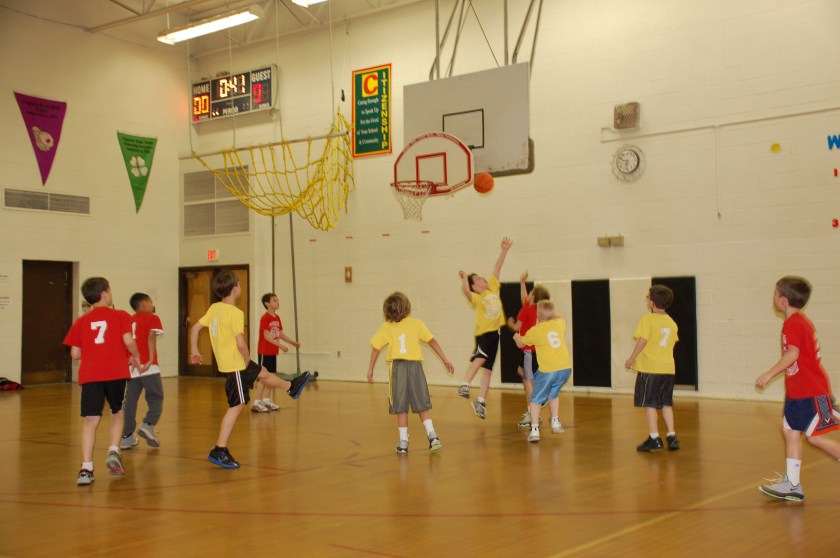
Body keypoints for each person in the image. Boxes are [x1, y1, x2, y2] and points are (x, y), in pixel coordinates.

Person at [189, 270, 311, 469]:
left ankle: (291, 387)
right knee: (236, 406)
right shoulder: (235, 313)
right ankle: (219, 449)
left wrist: (194, 349)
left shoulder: (214, 308)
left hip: (233, 361)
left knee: (262, 372)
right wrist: (246, 358)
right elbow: (240, 341)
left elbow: (195, 328)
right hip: (236, 363)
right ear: (236, 289)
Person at [755, 276, 840, 501]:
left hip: (812, 391)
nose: (773, 298)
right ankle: (793, 485)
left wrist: (769, 373)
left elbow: (793, 354)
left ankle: (793, 484)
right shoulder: (798, 321)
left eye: (775, 294)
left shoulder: (794, 323)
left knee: (814, 437)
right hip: (797, 391)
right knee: (790, 432)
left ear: (783, 300)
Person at [63, 277, 142, 486]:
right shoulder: (120, 315)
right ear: (105, 293)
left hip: (91, 375)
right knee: (117, 413)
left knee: (90, 420)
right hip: (116, 373)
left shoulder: (81, 321)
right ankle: (114, 450)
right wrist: (136, 356)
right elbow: (128, 341)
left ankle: (86, 468)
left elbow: (74, 353)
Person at [367, 292, 455, 453]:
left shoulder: (387, 327)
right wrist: (445, 359)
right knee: (422, 404)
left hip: (398, 368)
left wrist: (370, 368)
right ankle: (432, 436)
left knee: (400, 407)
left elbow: (375, 348)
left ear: (387, 311)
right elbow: (432, 341)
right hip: (415, 368)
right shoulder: (416, 324)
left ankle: (403, 442)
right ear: (407, 307)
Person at [456, 237, 513, 419]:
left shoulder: (492, 289)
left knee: (488, 370)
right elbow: (465, 291)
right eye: (479, 280)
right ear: (475, 287)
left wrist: (504, 251)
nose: (483, 280)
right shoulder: (477, 299)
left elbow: (497, 268)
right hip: (484, 334)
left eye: (482, 278)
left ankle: (480, 401)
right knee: (480, 359)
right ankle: (465, 384)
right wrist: (465, 277)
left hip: (494, 334)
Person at [624, 285, 680, 452]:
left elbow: (643, 340)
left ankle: (654, 437)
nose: (646, 300)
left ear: (652, 303)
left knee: (650, 404)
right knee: (666, 404)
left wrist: (632, 358)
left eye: (648, 297)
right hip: (668, 369)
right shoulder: (671, 322)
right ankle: (672, 436)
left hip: (650, 368)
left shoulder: (647, 320)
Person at [514, 300, 572, 442]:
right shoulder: (559, 324)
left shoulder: (536, 331)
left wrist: (516, 337)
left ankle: (534, 430)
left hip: (549, 370)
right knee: (554, 393)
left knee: (535, 399)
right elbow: (560, 317)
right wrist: (551, 313)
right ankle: (555, 421)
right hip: (565, 369)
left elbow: (521, 343)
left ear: (538, 316)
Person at [120, 293, 165, 450]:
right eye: (151, 302)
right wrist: (151, 358)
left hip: (131, 367)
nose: (153, 305)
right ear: (144, 303)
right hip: (148, 366)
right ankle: (148, 424)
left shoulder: (128, 320)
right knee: (156, 397)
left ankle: (126, 436)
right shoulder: (152, 318)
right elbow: (151, 336)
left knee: (130, 402)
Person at [507, 271, 551, 428]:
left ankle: (533, 412)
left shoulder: (526, 310)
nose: (528, 295)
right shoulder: (536, 309)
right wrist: (522, 282)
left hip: (528, 351)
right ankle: (537, 403)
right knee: (523, 373)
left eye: (531, 293)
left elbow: (517, 327)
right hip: (536, 351)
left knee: (526, 382)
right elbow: (523, 299)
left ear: (534, 297)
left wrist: (510, 323)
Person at [251, 292, 301, 413]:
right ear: (267, 304)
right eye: (274, 300)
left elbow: (280, 333)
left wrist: (291, 342)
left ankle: (266, 400)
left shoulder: (277, 318)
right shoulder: (265, 318)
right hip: (264, 351)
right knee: (263, 377)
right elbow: (267, 336)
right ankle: (257, 402)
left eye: (277, 300)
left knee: (271, 376)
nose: (277, 302)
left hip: (272, 351)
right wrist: (281, 346)